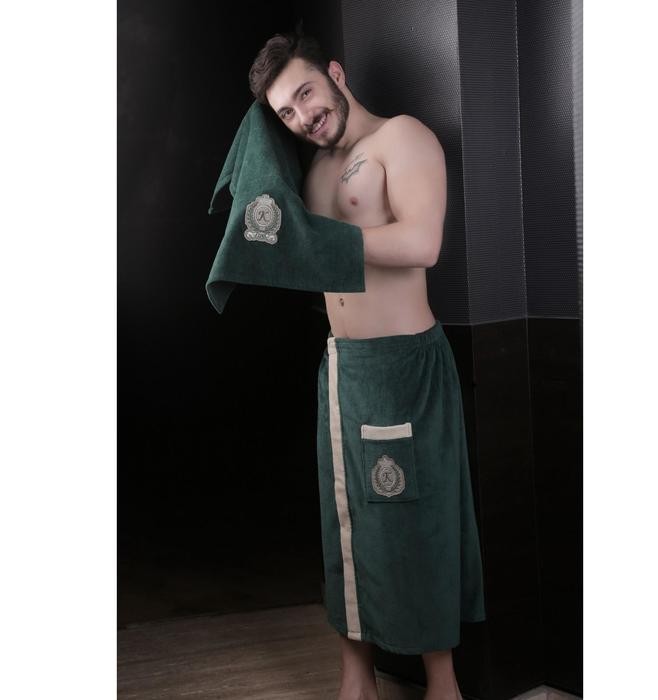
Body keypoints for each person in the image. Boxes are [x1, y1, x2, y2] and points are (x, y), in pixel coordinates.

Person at [248, 30, 485, 700]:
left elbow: (422, 241)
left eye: (305, 94)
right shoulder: (315, 170)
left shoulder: (401, 138)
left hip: (404, 364)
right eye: (286, 112)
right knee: (345, 517)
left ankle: (443, 683)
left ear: (335, 72)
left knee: (419, 518)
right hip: (342, 366)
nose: (302, 116)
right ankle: (356, 676)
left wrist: (315, 240)